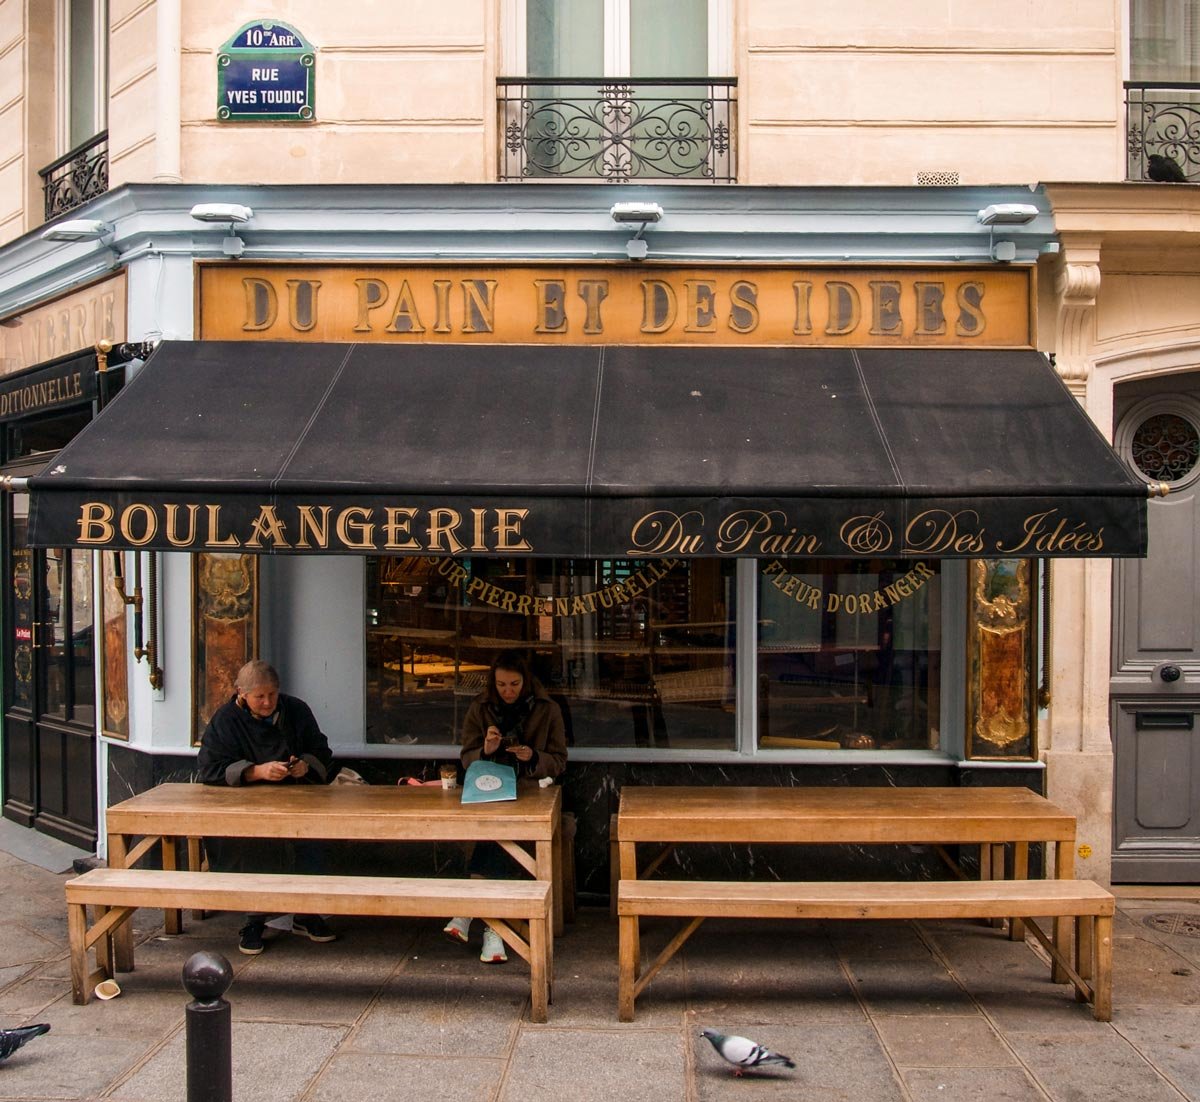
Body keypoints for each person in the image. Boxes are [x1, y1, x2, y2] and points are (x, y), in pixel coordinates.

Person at [196, 659, 338, 955]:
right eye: (259, 696)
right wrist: (255, 771)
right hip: (247, 805)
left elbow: (321, 750)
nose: (267, 702)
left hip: (298, 798)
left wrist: (304, 765)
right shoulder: (225, 720)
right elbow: (209, 768)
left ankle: (306, 913)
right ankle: (254, 919)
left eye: (272, 694)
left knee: (313, 839)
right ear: (241, 693)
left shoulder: (296, 710)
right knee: (253, 845)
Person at [443, 649, 567, 963]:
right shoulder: (480, 708)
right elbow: (466, 757)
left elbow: (560, 761)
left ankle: (472, 913)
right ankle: (493, 929)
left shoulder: (548, 709)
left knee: (499, 836)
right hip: (490, 790)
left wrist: (534, 757)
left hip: (530, 792)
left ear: (526, 682)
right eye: (501, 685)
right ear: (492, 683)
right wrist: (486, 750)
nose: (508, 692)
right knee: (495, 833)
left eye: (514, 684)